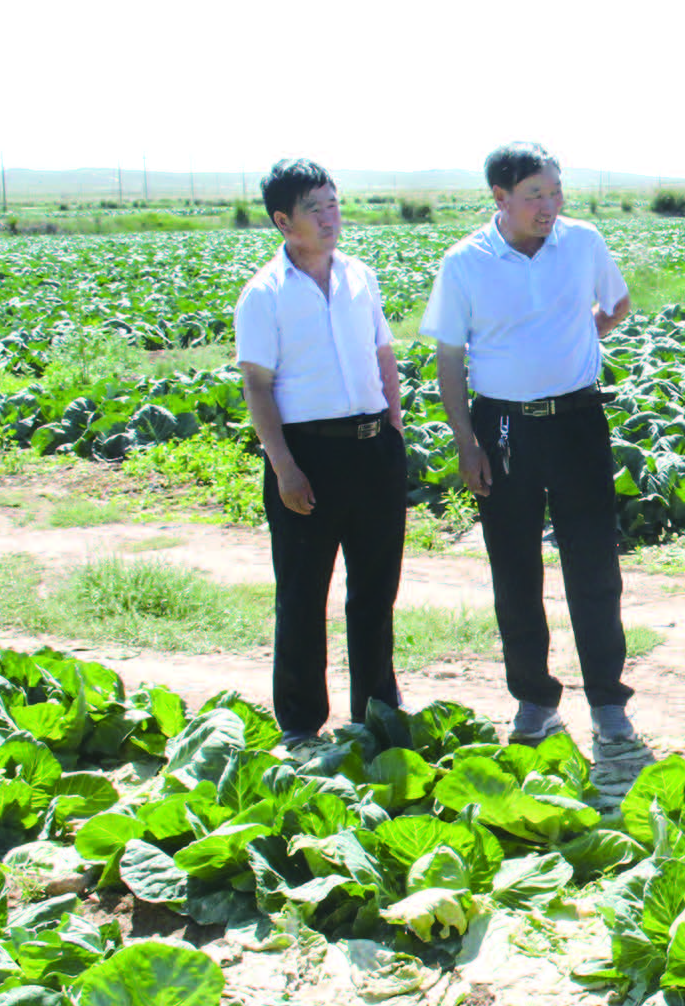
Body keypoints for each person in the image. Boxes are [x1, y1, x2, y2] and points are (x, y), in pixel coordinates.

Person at [423, 143, 639, 751]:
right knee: (515, 568)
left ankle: (607, 700)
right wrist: (467, 443)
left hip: (577, 419)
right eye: (535, 195)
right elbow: (448, 358)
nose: (550, 206)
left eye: (555, 192)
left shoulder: (582, 242)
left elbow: (616, 303)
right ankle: (534, 698)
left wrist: (580, 336)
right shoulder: (465, 262)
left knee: (594, 563)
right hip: (504, 429)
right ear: (500, 198)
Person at [235, 159, 407, 745]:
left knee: (375, 588)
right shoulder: (264, 294)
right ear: (285, 221)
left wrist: (394, 428)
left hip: (371, 448)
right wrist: (284, 466)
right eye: (315, 208)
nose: (331, 216)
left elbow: (384, 354)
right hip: (309, 455)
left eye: (333, 203)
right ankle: (302, 723)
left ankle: (376, 708)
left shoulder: (360, 277)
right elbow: (257, 385)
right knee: (304, 592)